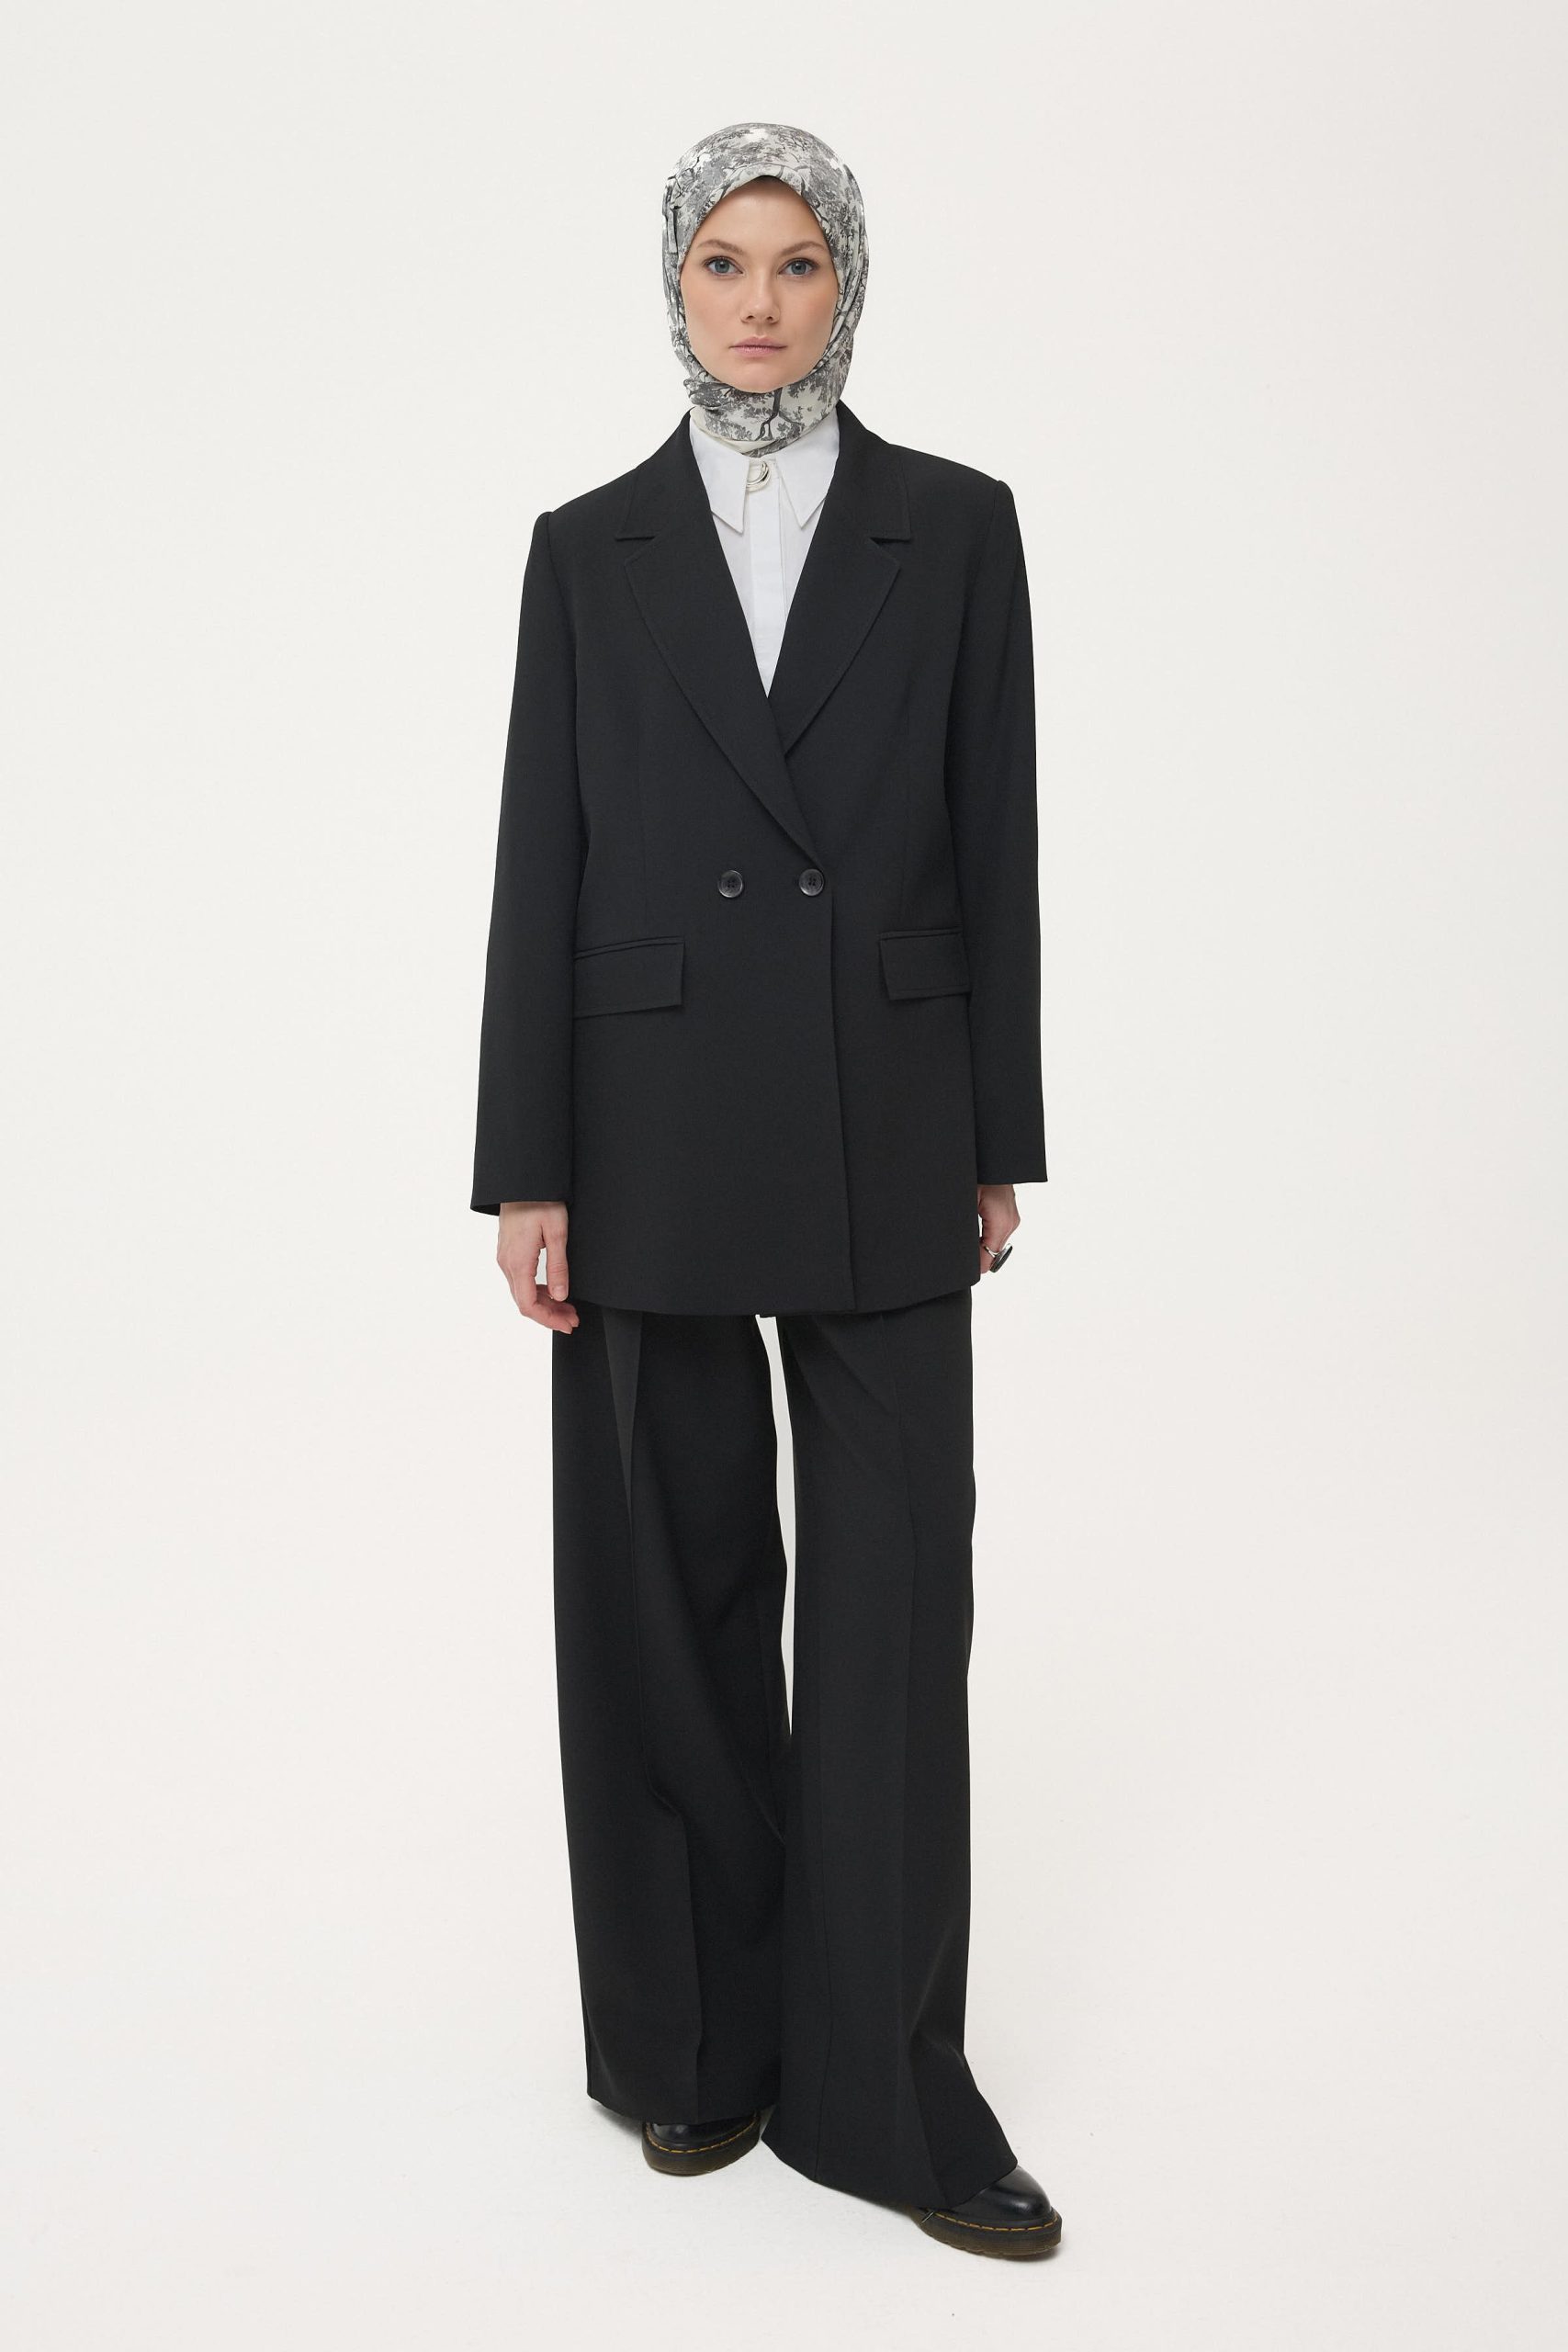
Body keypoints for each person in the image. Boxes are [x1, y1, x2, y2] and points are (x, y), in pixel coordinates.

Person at [470, 119, 1060, 2261]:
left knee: (895, 1601)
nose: (755, 298)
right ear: (674, 283)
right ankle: (693, 2041)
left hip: (887, 1101)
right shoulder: (585, 546)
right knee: (668, 1579)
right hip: (642, 1112)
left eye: (794, 262)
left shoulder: (955, 525)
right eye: (721, 260)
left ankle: (883, 2086)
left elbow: (993, 830)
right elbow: (540, 853)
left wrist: (995, 1125)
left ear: (845, 285)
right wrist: (523, 1164)